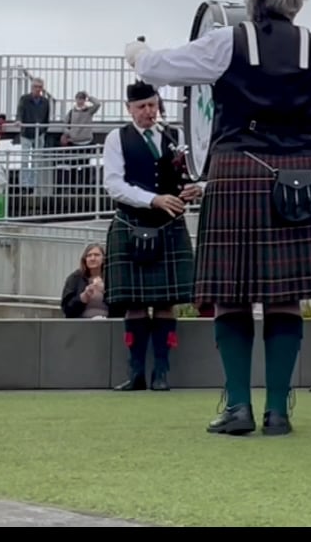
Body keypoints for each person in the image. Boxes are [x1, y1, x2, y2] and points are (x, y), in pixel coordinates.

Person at [126, 0, 311, 437]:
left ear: (253, 2)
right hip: (304, 172)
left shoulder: (228, 41)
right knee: (284, 298)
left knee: (231, 297)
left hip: (239, 171)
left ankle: (238, 407)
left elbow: (158, 67)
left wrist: (137, 52)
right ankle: (278, 411)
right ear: (295, 1)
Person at [100, 79, 199, 391]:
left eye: (153, 105)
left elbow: (194, 175)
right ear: (129, 108)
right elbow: (113, 185)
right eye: (141, 107)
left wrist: (196, 188)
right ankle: (136, 373)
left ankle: (162, 373)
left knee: (167, 302)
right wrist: (152, 199)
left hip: (169, 225)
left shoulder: (176, 136)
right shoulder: (117, 138)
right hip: (131, 223)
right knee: (135, 303)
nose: (148, 112)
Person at [60, 243, 110, 319]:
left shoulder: (111, 278)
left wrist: (105, 291)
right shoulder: (75, 278)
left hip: (109, 324)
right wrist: (82, 298)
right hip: (81, 325)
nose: (92, 258)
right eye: (89, 255)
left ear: (103, 258)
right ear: (85, 259)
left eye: (96, 255)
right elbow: (66, 308)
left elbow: (121, 307)